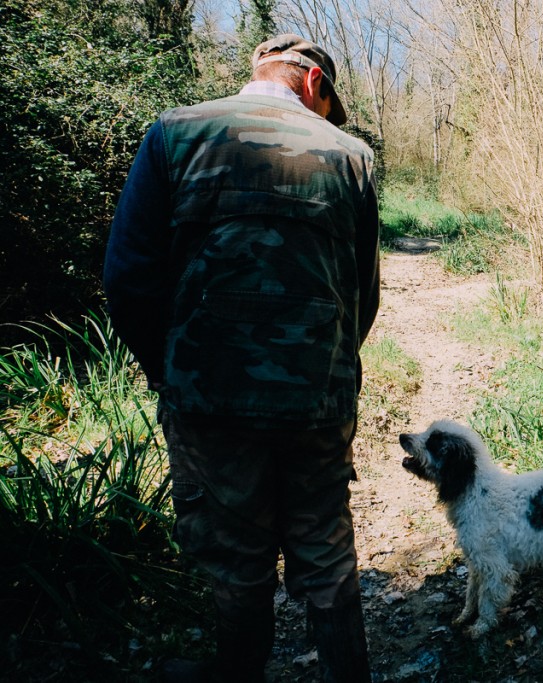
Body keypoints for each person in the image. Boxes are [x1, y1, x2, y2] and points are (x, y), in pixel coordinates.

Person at [104, 34, 379, 683]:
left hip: (209, 396)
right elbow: (361, 294)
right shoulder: (352, 157)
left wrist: (172, 370)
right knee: (325, 548)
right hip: (317, 397)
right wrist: (327, 365)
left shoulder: (175, 134)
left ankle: (237, 672)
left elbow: (128, 277)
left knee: (235, 551)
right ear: (315, 86)